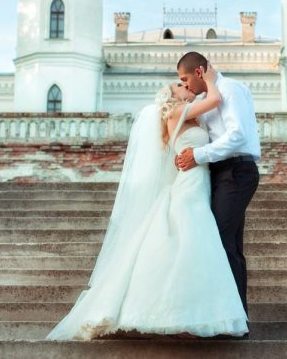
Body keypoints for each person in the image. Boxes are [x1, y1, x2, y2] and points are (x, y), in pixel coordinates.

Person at [46, 64, 248, 340]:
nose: (185, 86)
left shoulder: (193, 117)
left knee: (196, 245)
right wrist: (210, 78)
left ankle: (190, 308)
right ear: (171, 97)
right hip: (189, 186)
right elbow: (215, 100)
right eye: (179, 85)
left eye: (184, 81)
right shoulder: (177, 113)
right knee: (193, 240)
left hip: (200, 182)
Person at [175, 52, 261, 317]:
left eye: (185, 78)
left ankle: (230, 316)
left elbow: (237, 136)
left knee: (219, 242)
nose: (185, 85)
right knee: (230, 245)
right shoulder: (206, 98)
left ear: (199, 72)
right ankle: (236, 317)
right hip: (221, 173)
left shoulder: (230, 88)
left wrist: (198, 155)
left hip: (237, 171)